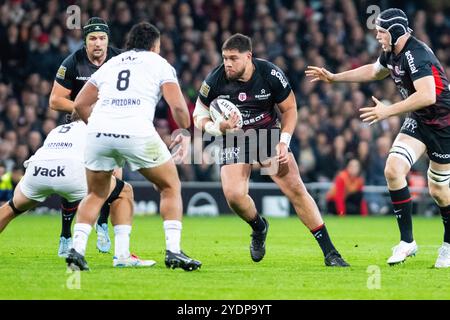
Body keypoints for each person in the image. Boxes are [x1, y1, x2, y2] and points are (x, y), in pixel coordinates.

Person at [306, 8, 450, 268]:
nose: (377, 36)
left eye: (381, 32)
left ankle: (449, 244)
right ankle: (407, 242)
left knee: (439, 191)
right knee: (393, 169)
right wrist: (335, 78)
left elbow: (428, 95)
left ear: (395, 32)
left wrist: (387, 110)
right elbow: (374, 71)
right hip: (419, 120)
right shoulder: (392, 52)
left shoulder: (416, 55)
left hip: (443, 126)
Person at [193, 33, 349, 267]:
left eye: (233, 58)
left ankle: (330, 253)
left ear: (248, 57)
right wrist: (217, 128)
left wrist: (284, 141)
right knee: (234, 196)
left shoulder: (270, 74)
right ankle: (259, 227)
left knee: (296, 189)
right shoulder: (215, 79)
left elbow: (290, 109)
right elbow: (198, 115)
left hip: (267, 135)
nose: (227, 63)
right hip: (233, 137)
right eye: (225, 58)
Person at [70, 22, 201, 271]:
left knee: (96, 194)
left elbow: (78, 104)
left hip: (99, 133)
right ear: (155, 46)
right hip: (136, 132)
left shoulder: (111, 64)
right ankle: (173, 251)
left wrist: (97, 126)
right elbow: (179, 107)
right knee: (170, 186)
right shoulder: (159, 63)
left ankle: (77, 250)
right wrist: (184, 131)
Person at [0, 113, 155, 268]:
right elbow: (115, 171)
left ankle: (67, 236)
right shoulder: (97, 128)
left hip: (37, 170)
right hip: (71, 170)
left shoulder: (58, 129)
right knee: (124, 191)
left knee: (11, 208)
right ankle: (122, 255)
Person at [49, 17, 123, 254]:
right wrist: (83, 109)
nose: (98, 43)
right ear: (85, 42)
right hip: (80, 127)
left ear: (108, 40)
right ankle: (65, 235)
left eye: (102, 38)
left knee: (114, 178)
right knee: (75, 184)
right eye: (92, 39)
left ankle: (102, 223)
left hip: (110, 126)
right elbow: (55, 100)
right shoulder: (73, 61)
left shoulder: (119, 59)